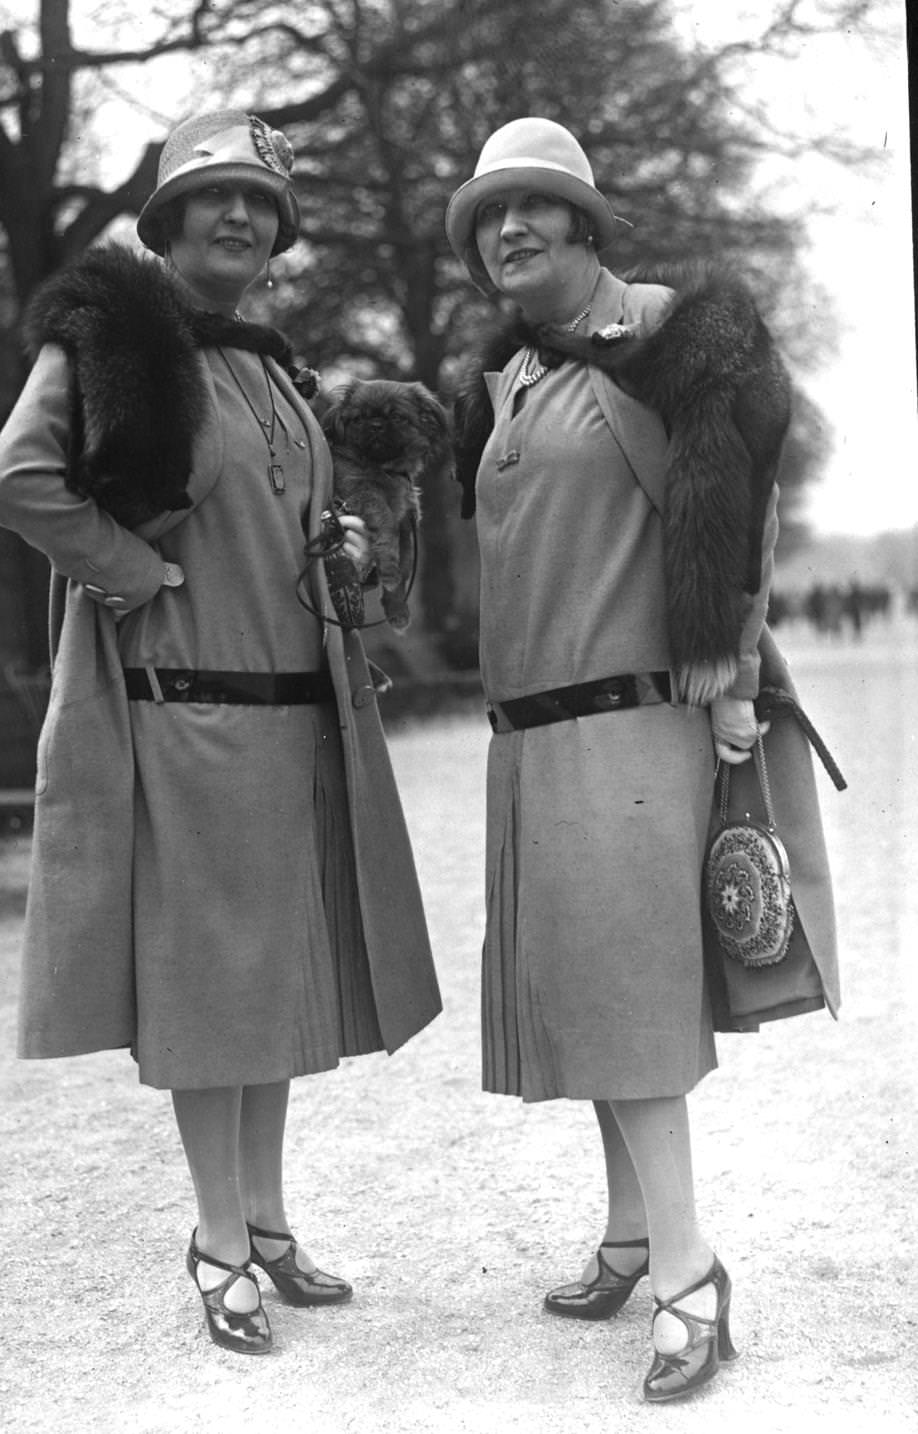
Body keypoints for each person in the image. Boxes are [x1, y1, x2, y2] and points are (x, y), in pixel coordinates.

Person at [0, 110, 440, 1357]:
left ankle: (269, 1222)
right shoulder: (120, 347)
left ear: (277, 234)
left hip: (299, 723)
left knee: (278, 984)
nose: (237, 217)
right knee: (209, 996)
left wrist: (340, 546)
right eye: (212, 198)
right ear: (171, 222)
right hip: (187, 716)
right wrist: (126, 569)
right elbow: (14, 480)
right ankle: (216, 1241)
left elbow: (293, 527)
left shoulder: (279, 375)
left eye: (258, 203)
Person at [445, 118, 840, 1402]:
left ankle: (688, 1279)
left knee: (633, 1011)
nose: (510, 229)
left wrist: (729, 671)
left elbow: (738, 506)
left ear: (586, 222)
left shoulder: (664, 340)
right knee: (589, 1001)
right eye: (488, 215)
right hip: (534, 736)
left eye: (535, 207)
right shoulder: (507, 380)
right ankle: (628, 1237)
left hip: (631, 720)